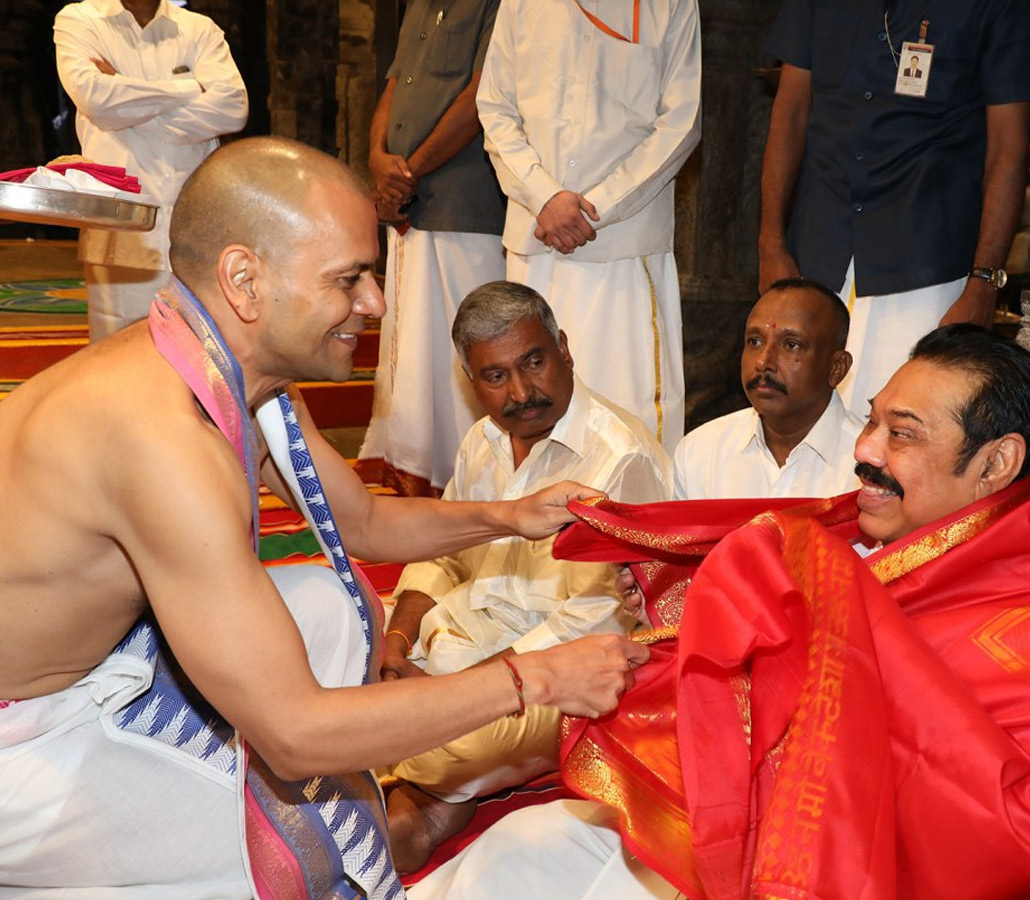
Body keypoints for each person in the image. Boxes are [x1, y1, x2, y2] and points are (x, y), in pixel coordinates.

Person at [0, 137, 647, 899]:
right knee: (306, 847)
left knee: (333, 607)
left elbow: (366, 525)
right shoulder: (161, 440)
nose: (374, 303)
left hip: (102, 663)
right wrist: (533, 678)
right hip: (28, 740)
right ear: (245, 281)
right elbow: (296, 735)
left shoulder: (226, 369)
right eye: (350, 279)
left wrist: (513, 514)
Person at [409, 325, 1030, 900]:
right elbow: (768, 606)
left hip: (842, 866)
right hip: (745, 814)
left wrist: (839, 619)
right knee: (517, 852)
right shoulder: (890, 521)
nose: (865, 450)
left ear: (996, 463)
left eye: (901, 435)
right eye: (871, 421)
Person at [379, 279, 671, 871]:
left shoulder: (618, 456)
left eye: (533, 362)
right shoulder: (482, 441)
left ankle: (419, 787)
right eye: (495, 377)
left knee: (427, 738)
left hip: (559, 678)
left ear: (564, 348)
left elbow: (594, 624)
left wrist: (450, 693)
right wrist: (396, 643)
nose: (520, 392)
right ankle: (436, 796)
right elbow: (444, 551)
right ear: (470, 379)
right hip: (458, 641)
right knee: (338, 643)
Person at [757, 0, 1030, 417]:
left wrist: (985, 282)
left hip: (925, 267)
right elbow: (789, 110)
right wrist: (771, 242)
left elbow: (1008, 150)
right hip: (817, 248)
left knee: (902, 438)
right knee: (794, 428)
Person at [475, 0, 701, 450]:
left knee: (628, 407)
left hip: (623, 245)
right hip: (536, 242)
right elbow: (495, 108)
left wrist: (595, 207)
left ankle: (629, 520)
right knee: (529, 402)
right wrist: (544, 197)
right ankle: (536, 514)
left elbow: (682, 122)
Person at [357, 0, 507, 497]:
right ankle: (414, 466)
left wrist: (409, 172)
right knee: (415, 341)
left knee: (462, 342)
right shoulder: (420, 5)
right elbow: (395, 87)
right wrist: (378, 159)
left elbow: (481, 98)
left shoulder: (498, 4)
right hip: (410, 202)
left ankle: (467, 480)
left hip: (464, 204)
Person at [54, 0, 248, 341]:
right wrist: (190, 87)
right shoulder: (80, 20)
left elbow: (233, 111)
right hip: (119, 227)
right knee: (117, 362)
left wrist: (126, 100)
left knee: (198, 363)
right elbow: (96, 100)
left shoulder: (199, 29)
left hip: (195, 226)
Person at [673, 277, 861, 500]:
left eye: (791, 345)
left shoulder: (869, 465)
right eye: (755, 342)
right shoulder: (700, 452)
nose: (763, 362)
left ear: (836, 368)